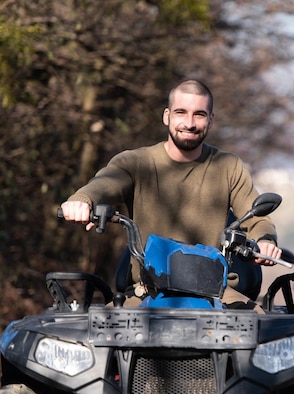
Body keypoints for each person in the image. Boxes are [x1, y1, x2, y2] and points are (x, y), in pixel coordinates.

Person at [61, 79, 281, 312]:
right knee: (99, 333)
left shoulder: (228, 167)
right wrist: (82, 200)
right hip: (147, 288)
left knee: (264, 332)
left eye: (199, 114)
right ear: (167, 116)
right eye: (180, 112)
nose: (189, 123)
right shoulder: (137, 163)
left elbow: (257, 218)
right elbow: (105, 183)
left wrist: (265, 242)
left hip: (216, 292)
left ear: (211, 120)